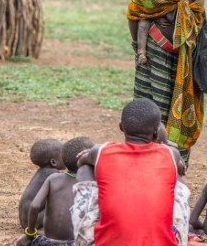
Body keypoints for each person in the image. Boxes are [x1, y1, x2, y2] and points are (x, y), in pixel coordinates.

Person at [127, 0, 207, 164]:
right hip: (156, 51)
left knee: (185, 106)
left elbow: (198, 10)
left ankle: (175, 164)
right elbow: (136, 14)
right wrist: (137, 47)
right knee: (153, 107)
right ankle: (146, 162)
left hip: (189, 52)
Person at [76, 98, 180, 245]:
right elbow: (180, 167)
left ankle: (80, 230)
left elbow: (80, 161)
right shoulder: (171, 154)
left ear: (121, 127)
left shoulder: (101, 151)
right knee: (176, 178)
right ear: (156, 133)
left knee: (86, 168)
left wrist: (92, 155)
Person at [18, 137, 94, 246]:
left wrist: (30, 234)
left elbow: (34, 205)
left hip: (44, 239)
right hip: (70, 241)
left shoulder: (53, 177)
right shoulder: (86, 183)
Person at [19, 139, 65, 230]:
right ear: (53, 162)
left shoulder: (42, 172)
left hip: (26, 220)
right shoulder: (53, 174)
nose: (66, 157)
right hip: (33, 222)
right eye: (63, 155)